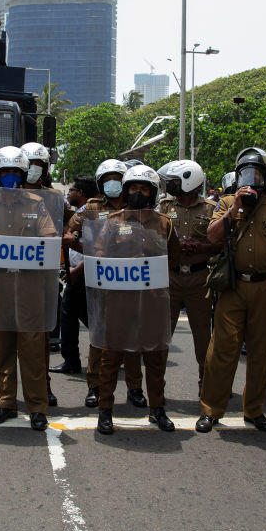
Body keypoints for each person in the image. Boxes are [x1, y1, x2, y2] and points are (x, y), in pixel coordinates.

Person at [196, 147, 266, 433]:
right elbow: (213, 236)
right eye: (245, 173)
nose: (250, 178)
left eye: (256, 174)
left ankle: (254, 410)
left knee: (260, 352)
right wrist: (234, 208)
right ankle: (211, 409)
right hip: (233, 286)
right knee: (222, 350)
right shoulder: (227, 202)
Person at [92, 165, 181, 433]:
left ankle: (158, 409)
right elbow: (98, 257)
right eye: (133, 188)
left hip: (153, 302)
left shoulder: (164, 223)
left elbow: (174, 258)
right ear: (126, 190)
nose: (138, 193)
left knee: (156, 357)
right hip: (119, 302)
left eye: (144, 189)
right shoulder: (112, 222)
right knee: (111, 357)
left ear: (152, 193)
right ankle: (105, 410)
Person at [0, 146, 59, 431]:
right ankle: (5, 402)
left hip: (29, 287)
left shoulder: (37, 204)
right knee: (3, 348)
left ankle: (37, 406)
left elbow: (49, 238)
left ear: (23, 175)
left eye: (15, 172)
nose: (10, 177)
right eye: (5, 172)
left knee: (32, 348)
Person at [63, 159, 145, 408]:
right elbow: (71, 230)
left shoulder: (138, 206)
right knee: (99, 335)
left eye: (117, 179)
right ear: (100, 183)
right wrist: (73, 238)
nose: (113, 184)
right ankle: (94, 387)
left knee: (132, 337)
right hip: (101, 278)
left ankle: (135, 388)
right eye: (107, 180)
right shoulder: (92, 207)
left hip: (130, 278)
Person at [157, 160, 218, 393]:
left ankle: (207, 387)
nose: (170, 186)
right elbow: (152, 236)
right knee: (161, 337)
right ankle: (157, 388)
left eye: (174, 182)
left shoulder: (210, 209)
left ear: (187, 180)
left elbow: (219, 242)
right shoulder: (164, 207)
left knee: (203, 338)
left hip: (199, 279)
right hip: (169, 278)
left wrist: (200, 247)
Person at [21, 141, 70, 406]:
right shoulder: (8, 192)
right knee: (7, 333)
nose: (33, 170)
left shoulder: (54, 197)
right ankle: (3, 386)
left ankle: (43, 385)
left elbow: (69, 225)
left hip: (43, 274)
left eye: (38, 165)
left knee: (40, 336)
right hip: (11, 272)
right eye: (29, 165)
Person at [52, 175, 98, 374]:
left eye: (71, 190)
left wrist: (77, 270)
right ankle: (110, 349)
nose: (68, 193)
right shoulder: (82, 211)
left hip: (82, 273)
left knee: (69, 313)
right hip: (78, 272)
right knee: (83, 314)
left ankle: (72, 361)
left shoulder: (92, 213)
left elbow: (96, 248)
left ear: (80, 193)